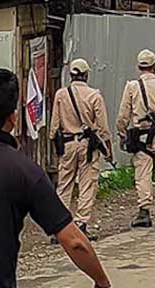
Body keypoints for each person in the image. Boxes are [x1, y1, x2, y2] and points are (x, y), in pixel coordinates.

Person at [0, 69, 110, 288]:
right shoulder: (24, 170)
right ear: (13, 117)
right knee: (84, 184)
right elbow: (74, 242)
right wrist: (102, 281)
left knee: (66, 184)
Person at [116, 49, 155, 229]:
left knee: (142, 174)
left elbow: (123, 114)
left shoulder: (132, 86)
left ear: (139, 66)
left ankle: (144, 211)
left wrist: (122, 133)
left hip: (141, 136)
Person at [48, 59, 111, 238]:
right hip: (87, 146)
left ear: (71, 75)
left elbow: (54, 125)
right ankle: (81, 224)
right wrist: (107, 146)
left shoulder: (61, 94)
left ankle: (59, 227)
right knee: (87, 183)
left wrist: (55, 144)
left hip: (67, 144)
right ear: (86, 75)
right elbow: (103, 127)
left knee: (64, 185)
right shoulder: (94, 96)